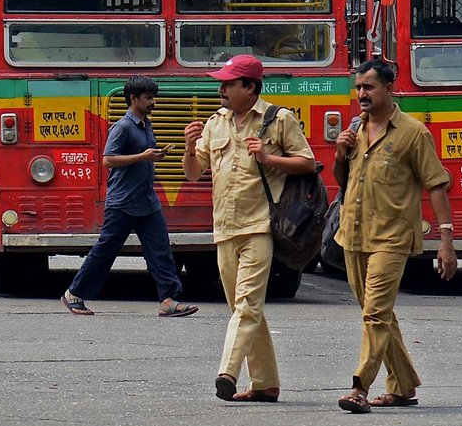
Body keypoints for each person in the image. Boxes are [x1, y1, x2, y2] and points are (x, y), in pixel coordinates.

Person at [182, 53, 315, 402]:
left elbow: (308, 163)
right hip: (225, 227)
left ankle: (227, 371)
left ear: (250, 87)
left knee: (247, 305)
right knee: (244, 309)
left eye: (228, 83)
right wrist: (187, 146)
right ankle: (265, 383)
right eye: (221, 82)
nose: (221, 89)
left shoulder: (278, 119)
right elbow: (195, 172)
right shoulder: (215, 122)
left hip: (260, 226)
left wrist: (269, 159)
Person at [332, 59, 458, 414]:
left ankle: (359, 386)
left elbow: (436, 185)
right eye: (358, 88)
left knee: (375, 313)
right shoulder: (356, 130)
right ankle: (402, 386)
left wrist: (446, 241)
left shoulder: (413, 133)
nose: (361, 95)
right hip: (353, 234)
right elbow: (343, 181)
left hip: (392, 236)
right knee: (379, 314)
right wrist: (340, 152)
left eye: (368, 88)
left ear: (389, 89)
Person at [60, 75, 198, 318]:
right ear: (133, 99)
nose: (152, 101)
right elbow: (107, 159)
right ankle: (74, 294)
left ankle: (168, 300)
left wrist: (154, 155)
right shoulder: (123, 127)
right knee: (105, 251)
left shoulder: (146, 124)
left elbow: (141, 156)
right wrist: (142, 157)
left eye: (153, 97)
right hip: (122, 202)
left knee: (160, 249)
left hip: (146, 201)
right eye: (148, 97)